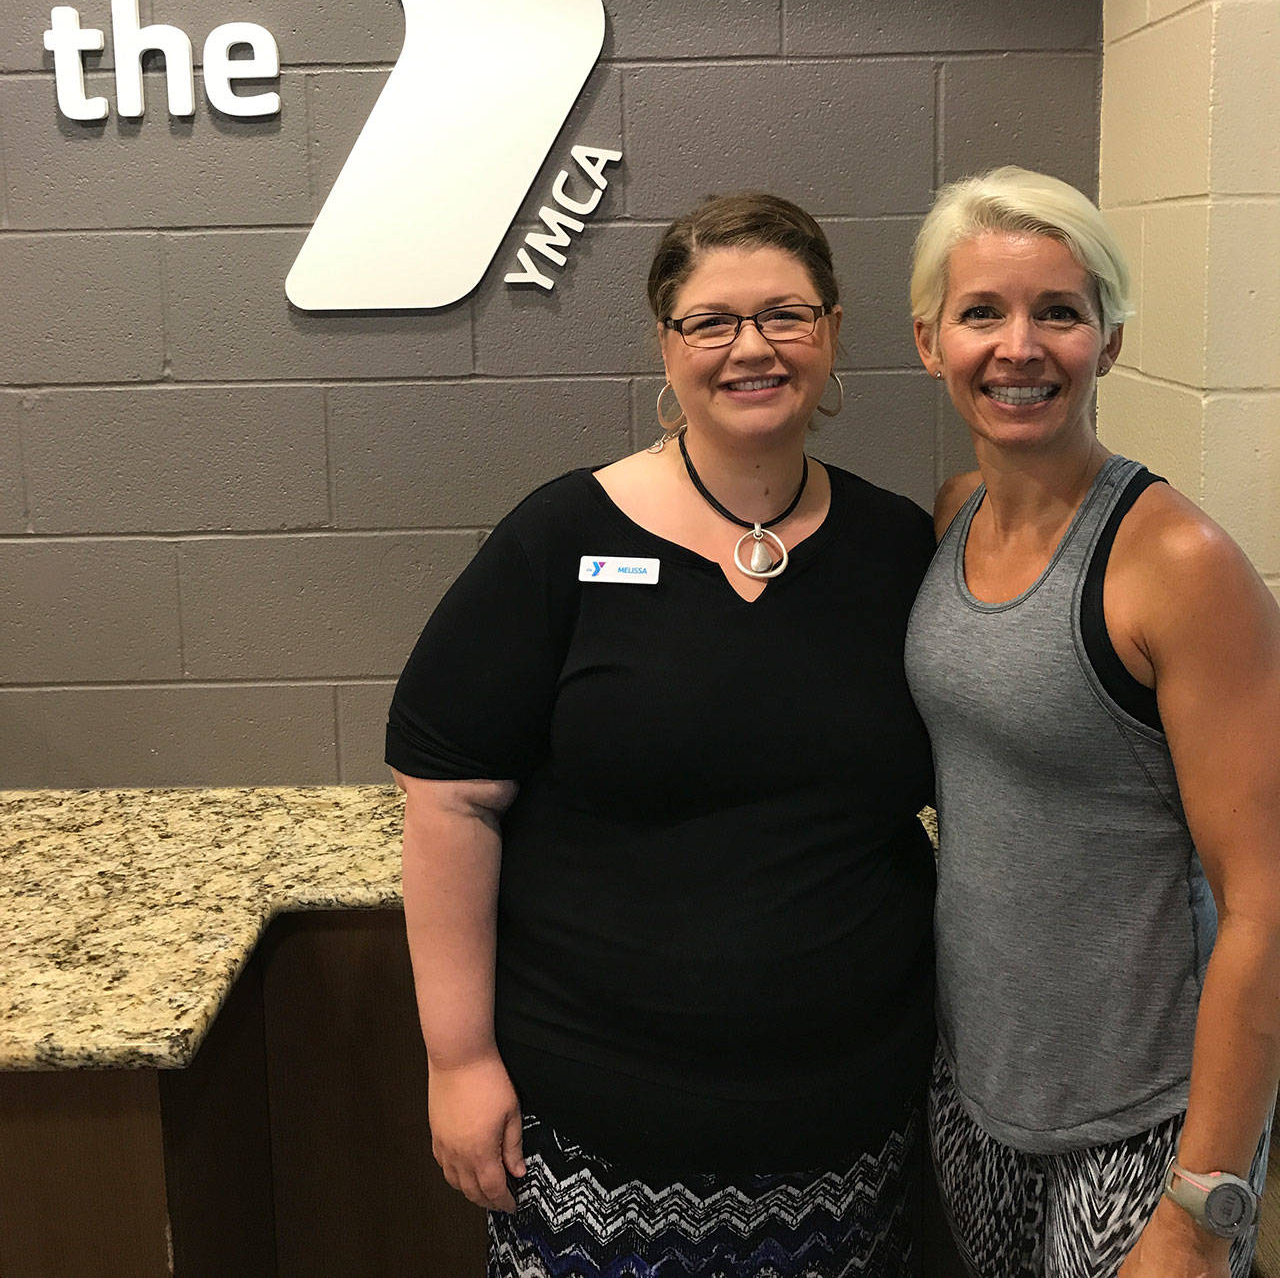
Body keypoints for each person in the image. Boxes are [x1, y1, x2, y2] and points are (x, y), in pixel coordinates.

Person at [387, 192, 939, 1278]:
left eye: (785, 314)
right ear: (666, 343)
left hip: (847, 1129)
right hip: (591, 1137)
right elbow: (448, 796)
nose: (751, 347)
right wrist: (456, 1060)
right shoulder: (561, 538)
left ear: (829, 330)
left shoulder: (896, 549)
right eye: (711, 320)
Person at [905, 166, 1280, 1278]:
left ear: (1105, 341)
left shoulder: (1177, 564)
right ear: (929, 340)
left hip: (1143, 1124)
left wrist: (1201, 1207)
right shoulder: (952, 512)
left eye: (1057, 312)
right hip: (978, 1093)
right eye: (982, 312)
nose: (1017, 347)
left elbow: (1262, 902)